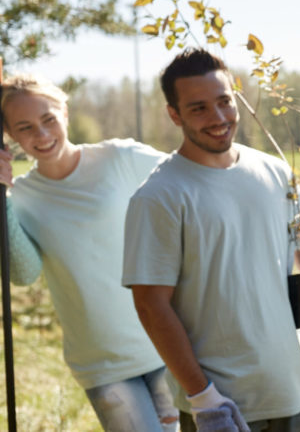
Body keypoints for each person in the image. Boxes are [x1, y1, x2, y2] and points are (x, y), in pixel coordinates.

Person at [122, 48, 300, 431]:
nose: (218, 118)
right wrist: (202, 396)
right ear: (174, 114)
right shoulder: (159, 195)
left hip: (293, 390)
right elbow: (150, 305)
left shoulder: (275, 171)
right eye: (198, 109)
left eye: (224, 101)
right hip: (224, 404)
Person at [0, 74, 177, 432]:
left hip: (168, 339)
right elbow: (23, 272)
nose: (42, 134)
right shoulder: (21, 198)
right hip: (102, 360)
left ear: (64, 112)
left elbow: (190, 182)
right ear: (11, 137)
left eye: (48, 119)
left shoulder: (121, 157)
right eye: (25, 127)